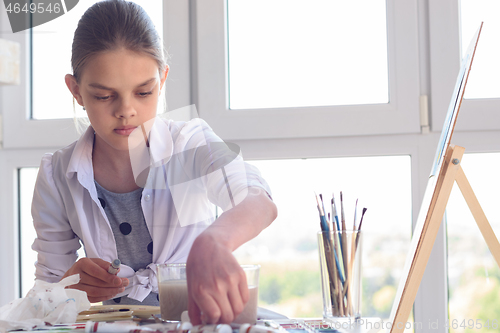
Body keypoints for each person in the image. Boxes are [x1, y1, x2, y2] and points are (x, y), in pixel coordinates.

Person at [30, 0, 277, 325]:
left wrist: (212, 242)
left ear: (162, 80)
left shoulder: (188, 143)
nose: (126, 110)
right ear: (76, 90)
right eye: (104, 96)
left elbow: (259, 200)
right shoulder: (57, 174)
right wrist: (69, 287)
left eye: (144, 92)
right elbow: (43, 304)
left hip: (198, 323)